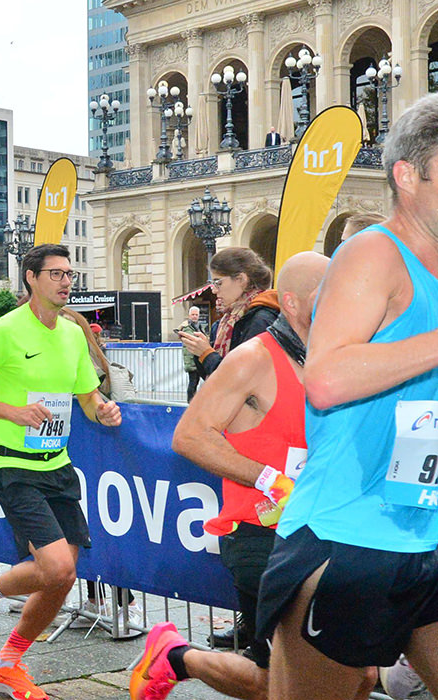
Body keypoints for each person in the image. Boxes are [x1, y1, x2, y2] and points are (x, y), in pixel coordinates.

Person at [257, 94, 438, 700]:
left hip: (424, 526)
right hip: (351, 539)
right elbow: (328, 377)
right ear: (407, 175)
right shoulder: (375, 253)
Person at [131, 252, 330, 700]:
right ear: (294, 304)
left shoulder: (331, 357)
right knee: (288, 683)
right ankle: (179, 657)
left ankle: (174, 656)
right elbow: (190, 436)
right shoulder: (254, 357)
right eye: (329, 293)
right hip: (263, 536)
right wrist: (271, 479)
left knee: (353, 677)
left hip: (322, 530)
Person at [0, 244, 121, 700]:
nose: (66, 282)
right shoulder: (3, 331)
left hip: (57, 464)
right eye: (56, 274)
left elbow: (87, 396)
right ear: (31, 278)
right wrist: (13, 411)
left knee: (63, 576)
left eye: (70, 274)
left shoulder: (73, 334)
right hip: (11, 464)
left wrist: (104, 411)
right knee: (55, 565)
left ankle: (6, 663)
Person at [58, 308, 142, 638]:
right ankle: (94, 599)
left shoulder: (104, 371)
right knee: (78, 531)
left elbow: (130, 418)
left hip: (105, 470)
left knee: (107, 533)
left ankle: (127, 604)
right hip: (69, 467)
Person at [178, 248, 277, 380]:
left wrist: (206, 353)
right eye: (212, 283)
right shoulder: (225, 321)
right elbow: (210, 375)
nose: (213, 290)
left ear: (241, 279)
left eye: (218, 282)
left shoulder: (262, 319)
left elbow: (243, 379)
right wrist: (198, 351)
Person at [178, 306, 207, 402]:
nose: (194, 316)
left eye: (196, 315)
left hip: (199, 359)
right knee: (193, 383)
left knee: (198, 382)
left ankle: (194, 402)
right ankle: (190, 402)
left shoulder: (198, 327)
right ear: (189, 315)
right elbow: (192, 342)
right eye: (193, 314)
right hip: (192, 360)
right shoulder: (187, 328)